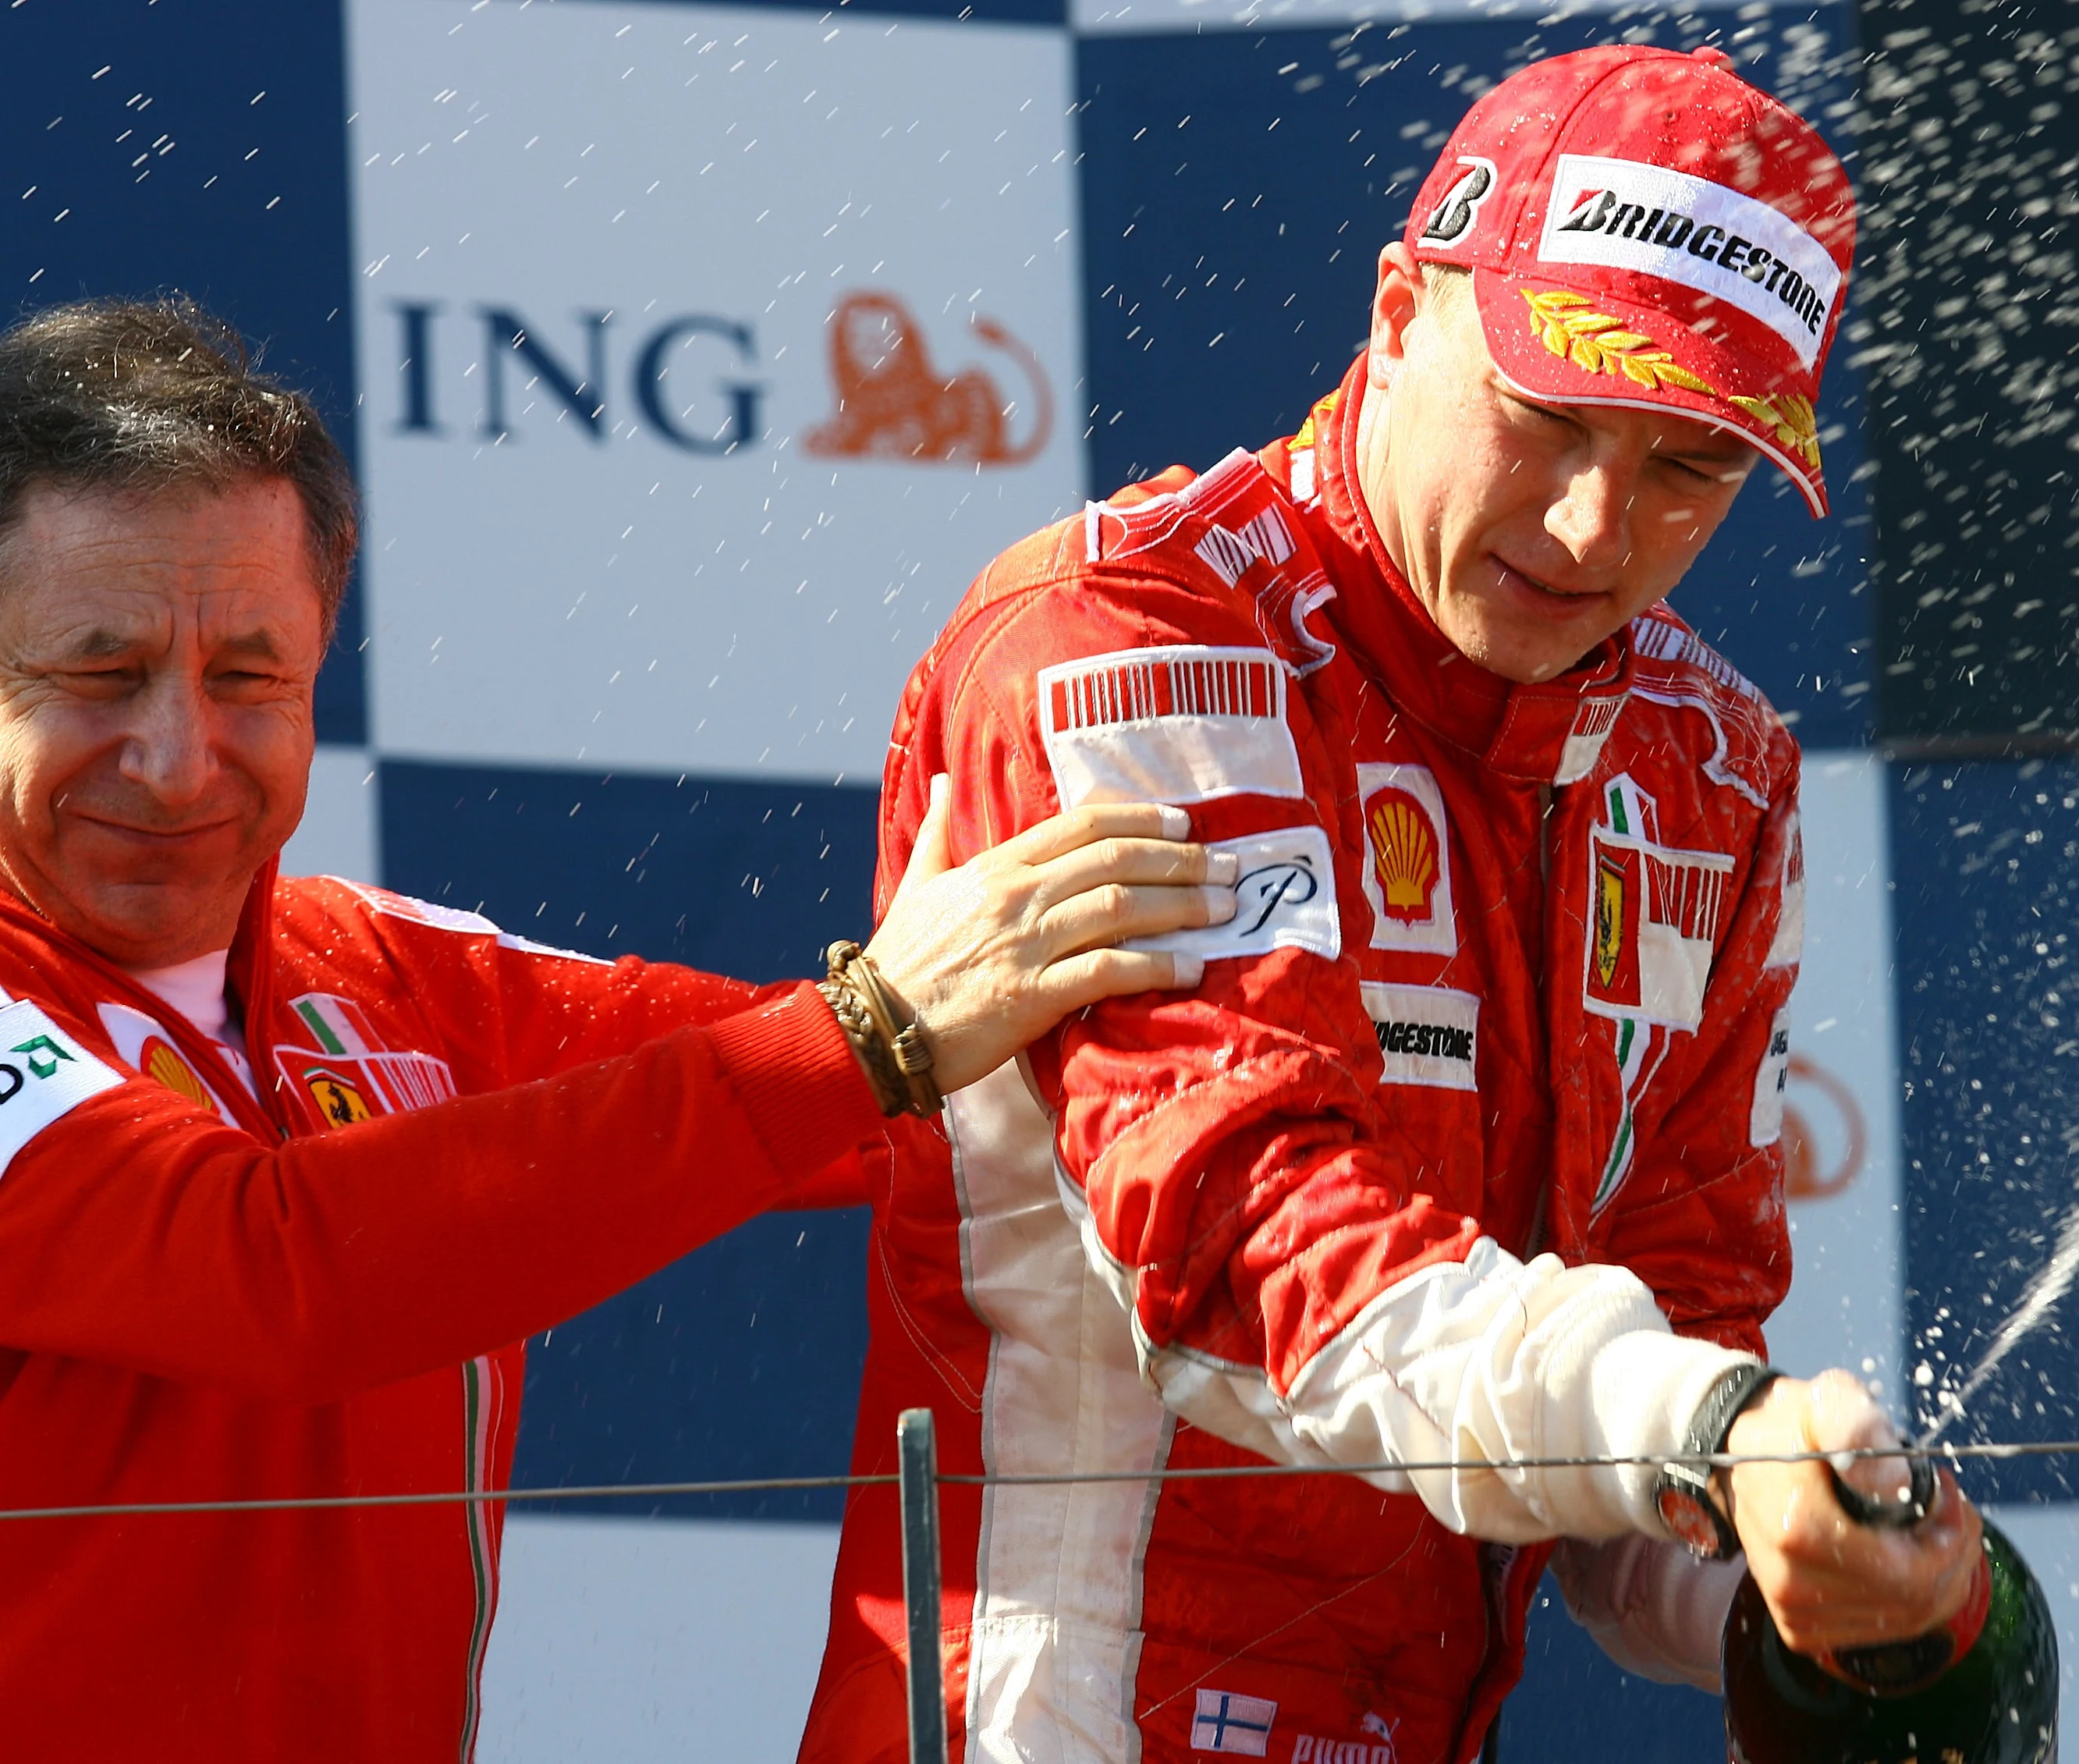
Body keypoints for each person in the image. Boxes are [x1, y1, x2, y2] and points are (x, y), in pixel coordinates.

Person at [804, 44, 1986, 1764]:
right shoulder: (1129, 639)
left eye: (1688, 469)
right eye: (1553, 415)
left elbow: (1641, 1412)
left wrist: (1807, 1575)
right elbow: (1241, 1251)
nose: (1595, 526)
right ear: (1400, 307)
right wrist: (1706, 1422)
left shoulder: (1711, 772)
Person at [0, 297, 1236, 1762]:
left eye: (248, 678)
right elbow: (277, 1273)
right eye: (98, 673)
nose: (176, 753)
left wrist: (1243, 1033)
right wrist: (879, 1032)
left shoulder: (390, 970)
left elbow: (892, 1098)